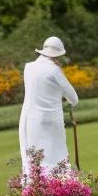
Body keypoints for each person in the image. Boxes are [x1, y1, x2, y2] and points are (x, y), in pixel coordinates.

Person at [19, 35, 79, 177]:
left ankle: (34, 190)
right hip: (51, 122)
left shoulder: (28, 68)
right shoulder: (55, 71)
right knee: (56, 156)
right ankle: (60, 190)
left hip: (29, 119)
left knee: (34, 158)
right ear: (57, 54)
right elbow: (74, 98)